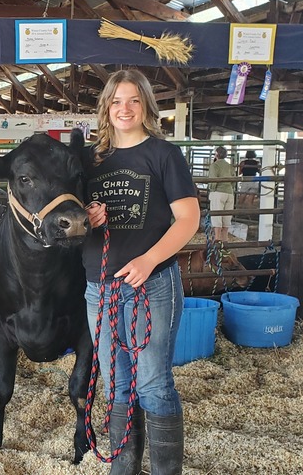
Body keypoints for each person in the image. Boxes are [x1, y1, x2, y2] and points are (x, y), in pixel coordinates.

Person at [82, 69, 200, 475]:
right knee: (115, 385)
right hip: (100, 288)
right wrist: (88, 217)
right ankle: (123, 470)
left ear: (146, 106)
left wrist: (149, 260)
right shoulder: (91, 159)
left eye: (133, 100)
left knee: (152, 383)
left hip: (152, 286)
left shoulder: (163, 155)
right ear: (106, 107)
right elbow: (70, 217)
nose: (124, 108)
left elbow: (188, 219)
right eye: (116, 100)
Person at [207, 146, 235, 242]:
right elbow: (234, 180)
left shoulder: (214, 165)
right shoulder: (230, 166)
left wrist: (212, 190)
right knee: (227, 216)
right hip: (229, 193)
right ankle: (225, 240)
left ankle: (217, 239)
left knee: (216, 216)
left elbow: (213, 181)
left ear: (216, 154)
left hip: (218, 192)